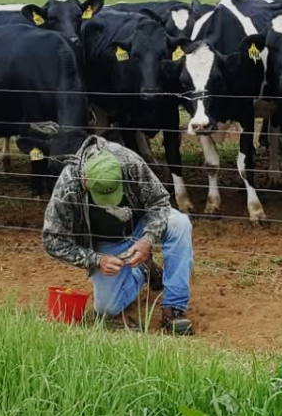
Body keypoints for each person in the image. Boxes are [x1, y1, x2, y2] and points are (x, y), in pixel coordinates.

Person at [42, 135, 194, 335]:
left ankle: (173, 308)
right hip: (106, 242)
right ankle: (144, 270)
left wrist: (148, 239)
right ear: (85, 180)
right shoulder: (68, 186)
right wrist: (96, 259)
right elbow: (52, 240)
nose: (110, 201)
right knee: (107, 309)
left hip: (139, 226)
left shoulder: (129, 162)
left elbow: (160, 201)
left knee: (180, 224)